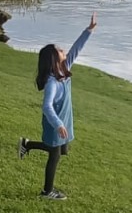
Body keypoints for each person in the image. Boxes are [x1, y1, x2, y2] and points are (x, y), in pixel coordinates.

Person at [18, 13, 97, 199]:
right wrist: (58, 124)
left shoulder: (65, 68)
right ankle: (47, 191)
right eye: (60, 50)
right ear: (54, 58)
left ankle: (27, 144)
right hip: (56, 124)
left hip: (64, 121)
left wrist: (89, 30)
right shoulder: (52, 83)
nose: (64, 51)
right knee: (55, 155)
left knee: (63, 150)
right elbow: (47, 107)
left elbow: (77, 48)